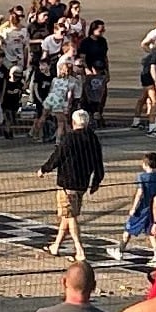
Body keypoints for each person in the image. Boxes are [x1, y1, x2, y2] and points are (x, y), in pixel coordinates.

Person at [43, 107, 103, 258]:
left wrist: (44, 169)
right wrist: (96, 181)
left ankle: (79, 249)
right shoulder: (93, 138)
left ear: (73, 122)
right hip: (82, 183)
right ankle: (56, 246)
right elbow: (98, 161)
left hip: (68, 183)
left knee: (70, 217)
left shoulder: (69, 138)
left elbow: (58, 156)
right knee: (67, 215)